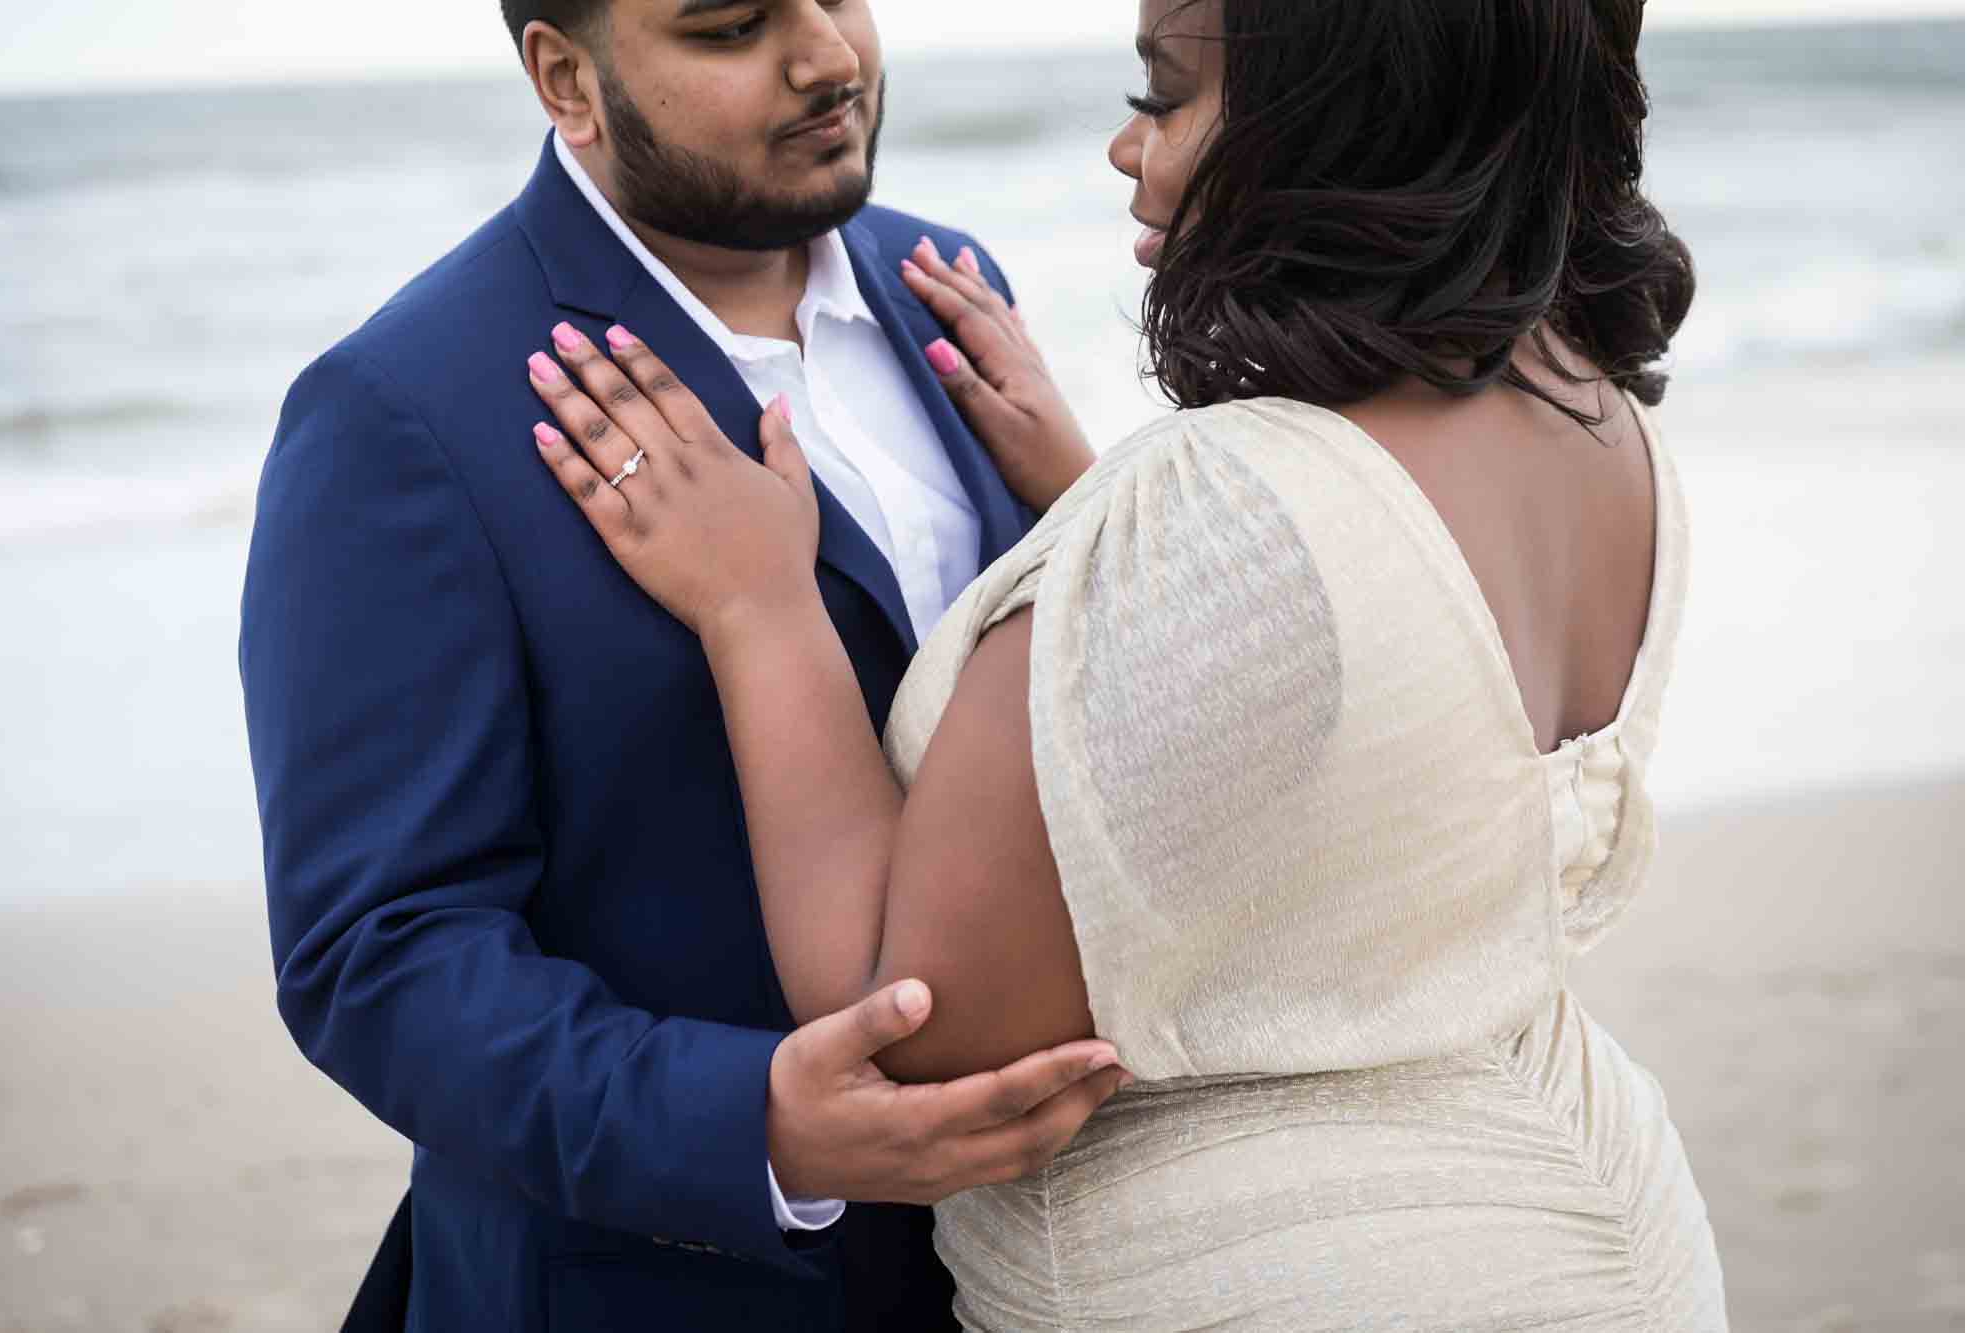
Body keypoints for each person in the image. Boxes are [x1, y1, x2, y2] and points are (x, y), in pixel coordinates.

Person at [524, 0, 1731, 1327]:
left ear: (1338, 120)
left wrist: (760, 607)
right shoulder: (1592, 406)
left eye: (1162, 97)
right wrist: (1087, 507)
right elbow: (1345, 725)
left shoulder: (1222, 512)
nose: (1121, 144)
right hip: (1604, 1225)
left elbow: (900, 1009)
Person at [238, 2, 1131, 1329]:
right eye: (728, 26)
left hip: (1021, 1269)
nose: (828, 55)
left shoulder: (947, 281)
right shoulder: (403, 413)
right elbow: (379, 952)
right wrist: (759, 1128)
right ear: (567, 78)